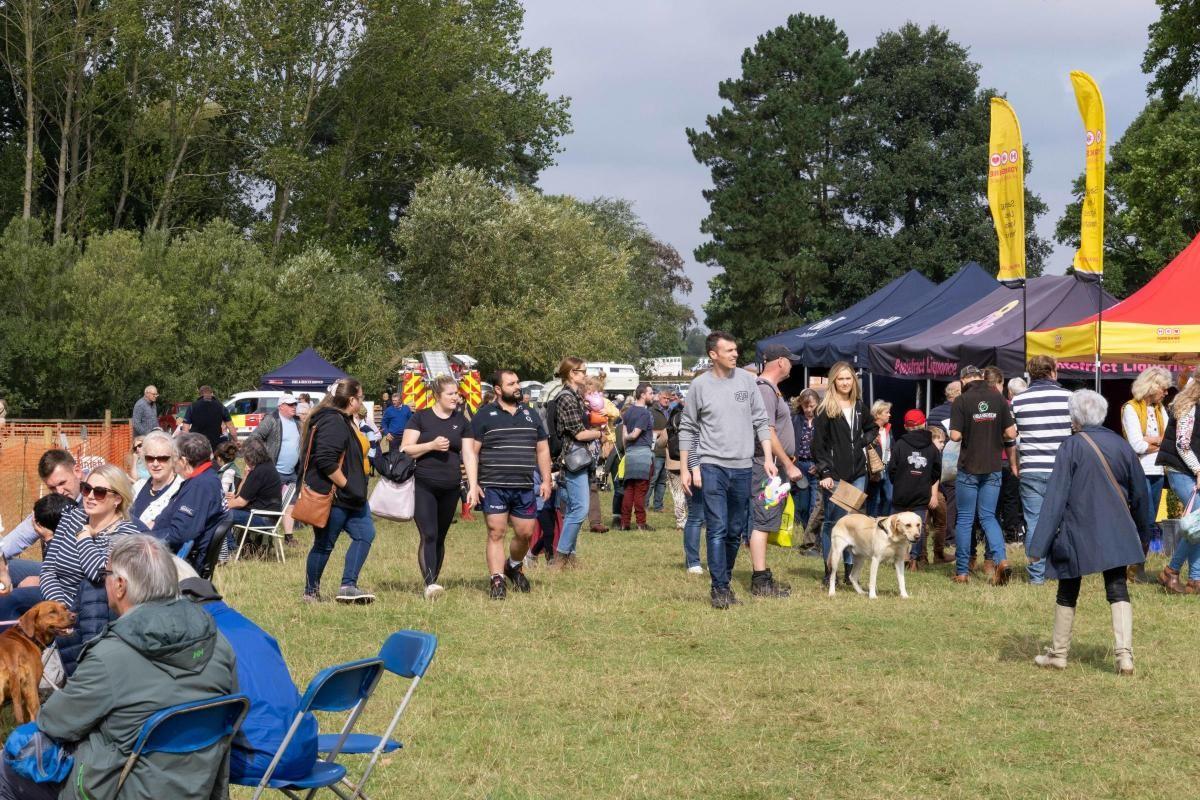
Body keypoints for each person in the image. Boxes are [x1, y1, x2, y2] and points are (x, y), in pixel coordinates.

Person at [0, 535, 237, 799]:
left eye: (106, 573)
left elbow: (54, 723)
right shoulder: (220, 644)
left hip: (117, 789)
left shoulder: (109, 655)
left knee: (6, 769)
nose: (104, 580)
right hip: (200, 787)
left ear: (120, 586)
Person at [1026, 390, 1149, 675]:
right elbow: (1141, 495)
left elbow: (1055, 498)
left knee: (1067, 588)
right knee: (1117, 587)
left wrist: (1037, 547)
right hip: (1116, 528)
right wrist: (1142, 537)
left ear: (1075, 417)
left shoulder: (1070, 446)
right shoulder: (1121, 445)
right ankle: (1124, 657)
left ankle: (1058, 654)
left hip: (1076, 529)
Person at [180, 577, 318, 784]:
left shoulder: (202, 641)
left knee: (166, 756)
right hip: (306, 749)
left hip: (264, 757)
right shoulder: (255, 630)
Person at [678, 332, 774, 609]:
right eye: (729, 350)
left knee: (735, 530)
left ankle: (725, 581)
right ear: (713, 355)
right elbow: (688, 428)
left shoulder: (747, 381)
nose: (735, 354)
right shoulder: (699, 385)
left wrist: (767, 456)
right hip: (711, 466)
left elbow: (761, 420)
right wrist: (686, 468)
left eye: (736, 349)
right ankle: (719, 588)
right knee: (717, 527)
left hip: (743, 466)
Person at [466, 370, 552, 598]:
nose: (517, 386)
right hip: (493, 485)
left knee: (525, 533)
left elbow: (542, 448)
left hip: (524, 486)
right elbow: (472, 452)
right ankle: (497, 580)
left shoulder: (530, 414)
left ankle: (513, 565)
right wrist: (473, 483)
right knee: (496, 532)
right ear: (497, 389)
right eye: (511, 383)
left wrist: (546, 479)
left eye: (517, 383)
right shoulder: (483, 415)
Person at [300, 378, 376, 604]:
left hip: (353, 498)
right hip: (335, 497)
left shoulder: (344, 419)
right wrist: (348, 485)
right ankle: (310, 592)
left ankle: (348, 586)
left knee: (365, 534)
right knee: (324, 545)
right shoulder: (333, 422)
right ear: (351, 400)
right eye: (360, 397)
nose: (361, 401)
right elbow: (326, 461)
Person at [402, 375, 477, 600]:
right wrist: (431, 445)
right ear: (437, 395)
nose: (456, 397)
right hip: (424, 484)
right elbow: (406, 448)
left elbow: (469, 454)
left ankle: (433, 581)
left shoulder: (462, 422)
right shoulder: (421, 418)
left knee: (441, 536)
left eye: (457, 393)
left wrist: (473, 486)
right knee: (429, 534)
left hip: (451, 486)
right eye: (451, 394)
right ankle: (429, 584)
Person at [41, 464, 145, 609]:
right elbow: (48, 570)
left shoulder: (126, 535)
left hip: (92, 609)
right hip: (57, 602)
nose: (90, 497)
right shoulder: (71, 517)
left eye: (99, 492)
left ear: (117, 499)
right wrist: (60, 607)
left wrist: (84, 537)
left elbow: (98, 573)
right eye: (87, 489)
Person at [949, 365, 1017, 585]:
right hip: (994, 467)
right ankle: (1001, 561)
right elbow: (1010, 432)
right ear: (981, 377)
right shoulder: (997, 397)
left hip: (969, 468)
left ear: (963, 381)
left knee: (966, 519)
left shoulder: (961, 400)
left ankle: (962, 572)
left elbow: (955, 435)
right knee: (989, 517)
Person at [812, 361, 878, 587]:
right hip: (835, 474)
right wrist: (825, 472)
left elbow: (872, 427)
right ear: (833, 381)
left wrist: (863, 441)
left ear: (854, 381)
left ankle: (851, 573)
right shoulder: (825, 408)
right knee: (834, 523)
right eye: (840, 379)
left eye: (848, 378)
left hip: (858, 472)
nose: (845, 383)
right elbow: (818, 446)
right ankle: (830, 572)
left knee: (855, 523)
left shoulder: (859, 406)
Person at [746, 344, 805, 597]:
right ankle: (760, 580)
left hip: (771, 466)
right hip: (766, 466)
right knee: (763, 521)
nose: (792, 364)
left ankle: (763, 576)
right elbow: (767, 432)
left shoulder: (770, 390)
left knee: (767, 520)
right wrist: (788, 464)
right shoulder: (766, 391)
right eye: (790, 360)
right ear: (780, 361)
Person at [1011, 356, 1073, 585]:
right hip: (1061, 469)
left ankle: (1036, 576)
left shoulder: (1018, 401)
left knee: (1034, 522)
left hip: (1031, 468)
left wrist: (1015, 463)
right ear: (1053, 372)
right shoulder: (1069, 398)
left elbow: (1011, 436)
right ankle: (1060, 570)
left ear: (1031, 374)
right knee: (1062, 522)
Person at [0, 449, 85, 592]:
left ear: (77, 471)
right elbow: (16, 538)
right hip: (54, 572)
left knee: (17, 596)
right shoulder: (52, 505)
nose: (59, 491)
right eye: (52, 487)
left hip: (83, 583)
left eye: (62, 482)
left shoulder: (94, 500)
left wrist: (43, 581)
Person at [1121, 366, 1172, 579]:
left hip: (1158, 470)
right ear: (1152, 386)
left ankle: (1136, 566)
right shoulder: (1131, 408)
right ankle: (1132, 564)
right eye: (1164, 388)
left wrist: (1150, 440)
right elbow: (1135, 445)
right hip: (1139, 471)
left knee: (1149, 522)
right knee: (1145, 519)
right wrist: (1159, 442)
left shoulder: (1161, 410)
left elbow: (1170, 440)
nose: (1167, 392)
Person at [151, 432, 227, 572]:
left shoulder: (200, 486)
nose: (173, 463)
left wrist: (144, 537)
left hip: (173, 563)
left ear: (184, 461)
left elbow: (179, 535)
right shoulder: (207, 477)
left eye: (174, 459)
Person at [551, 357, 602, 558]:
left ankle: (569, 556)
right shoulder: (567, 397)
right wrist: (601, 434)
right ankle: (561, 556)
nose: (585, 375)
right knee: (580, 509)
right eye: (582, 371)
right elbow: (579, 434)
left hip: (577, 458)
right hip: (573, 459)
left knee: (573, 509)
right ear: (572, 374)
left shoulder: (575, 396)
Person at [1156, 376, 1200, 593]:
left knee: (1197, 524)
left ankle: (1194, 580)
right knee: (1197, 523)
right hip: (1181, 470)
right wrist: (1198, 469)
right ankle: (1171, 571)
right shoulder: (1189, 406)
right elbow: (1183, 445)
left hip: (1192, 471)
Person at [888, 409, 941, 571]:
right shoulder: (932, 448)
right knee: (918, 526)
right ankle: (914, 559)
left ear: (905, 426)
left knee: (897, 524)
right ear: (924, 424)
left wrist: (897, 482)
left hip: (901, 492)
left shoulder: (900, 445)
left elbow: (892, 469)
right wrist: (926, 483)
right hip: (921, 492)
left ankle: (899, 555)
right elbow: (937, 471)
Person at [248, 393, 302, 544]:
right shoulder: (271, 420)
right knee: (271, 504)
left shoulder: (298, 422)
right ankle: (264, 537)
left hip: (292, 471)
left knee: (290, 504)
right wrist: (262, 457)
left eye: (295, 404)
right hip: (274, 471)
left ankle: (289, 537)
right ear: (281, 407)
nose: (294, 407)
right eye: (290, 405)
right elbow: (254, 437)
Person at [225, 437, 283, 552]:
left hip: (263, 518)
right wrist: (246, 475)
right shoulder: (267, 466)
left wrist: (221, 505)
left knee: (222, 515)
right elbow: (239, 494)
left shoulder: (259, 472)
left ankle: (232, 549)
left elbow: (241, 502)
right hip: (266, 514)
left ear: (250, 456)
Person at [619, 383, 657, 531]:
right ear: (643, 395)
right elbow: (634, 434)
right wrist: (630, 437)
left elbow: (623, 436)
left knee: (629, 490)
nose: (652, 396)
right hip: (642, 455)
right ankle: (641, 523)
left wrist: (626, 450)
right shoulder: (644, 413)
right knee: (641, 491)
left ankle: (625, 523)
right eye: (651, 393)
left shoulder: (627, 412)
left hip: (630, 454)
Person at [131, 430, 184, 528]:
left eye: (162, 458)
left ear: (173, 459)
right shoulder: (139, 486)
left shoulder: (181, 490)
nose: (155, 464)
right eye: (150, 458)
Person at [791, 389, 820, 535]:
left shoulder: (822, 419)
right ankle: (806, 533)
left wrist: (821, 464)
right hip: (800, 467)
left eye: (812, 406)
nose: (808, 410)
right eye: (805, 406)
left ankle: (813, 539)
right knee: (802, 506)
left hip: (816, 466)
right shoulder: (795, 419)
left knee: (814, 505)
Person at [665, 394, 689, 531]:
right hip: (691, 462)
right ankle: (694, 518)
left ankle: (681, 522)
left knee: (678, 493)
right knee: (691, 493)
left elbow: (662, 441)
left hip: (674, 462)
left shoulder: (671, 422)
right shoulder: (694, 421)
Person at [866, 400, 894, 516]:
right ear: (877, 414)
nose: (889, 415)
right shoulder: (869, 429)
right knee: (875, 499)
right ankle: (871, 523)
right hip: (875, 468)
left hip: (887, 467)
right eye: (886, 412)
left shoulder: (888, 429)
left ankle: (884, 522)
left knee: (889, 497)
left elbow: (892, 446)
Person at [648, 391, 672, 512]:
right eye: (664, 398)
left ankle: (658, 506)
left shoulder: (671, 412)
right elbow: (647, 429)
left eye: (669, 398)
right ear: (658, 398)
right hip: (656, 451)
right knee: (652, 479)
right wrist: (661, 432)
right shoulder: (651, 411)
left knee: (662, 481)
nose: (667, 400)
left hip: (667, 452)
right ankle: (644, 505)